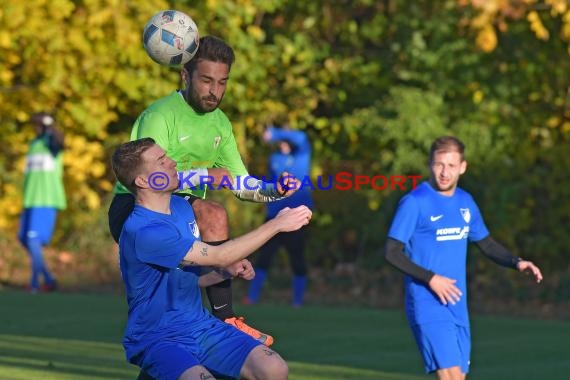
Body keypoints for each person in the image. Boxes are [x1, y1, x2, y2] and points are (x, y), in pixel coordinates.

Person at [108, 35, 298, 347]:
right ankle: (227, 318)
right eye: (207, 80)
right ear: (186, 76)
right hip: (135, 207)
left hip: (179, 211)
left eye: (223, 82)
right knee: (212, 212)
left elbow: (240, 183)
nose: (215, 91)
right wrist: (206, 175)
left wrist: (273, 191)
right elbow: (149, 180)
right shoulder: (161, 115)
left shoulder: (221, 124)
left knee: (173, 318)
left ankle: (203, 337)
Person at [111, 138, 311, 380]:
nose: (172, 163)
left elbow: (186, 279)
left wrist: (223, 273)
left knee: (273, 369)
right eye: (161, 161)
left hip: (200, 326)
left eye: (167, 157)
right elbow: (219, 255)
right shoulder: (144, 231)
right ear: (142, 181)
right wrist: (277, 225)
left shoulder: (181, 208)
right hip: (158, 337)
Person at [385, 136, 543, 380]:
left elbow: (486, 244)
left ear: (462, 167)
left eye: (450, 165)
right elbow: (392, 252)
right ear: (430, 164)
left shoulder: (465, 202)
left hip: (457, 305)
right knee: (452, 378)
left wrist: (517, 262)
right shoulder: (415, 202)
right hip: (428, 303)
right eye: (439, 164)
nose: (444, 172)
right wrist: (431, 279)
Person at [244, 126, 313, 307]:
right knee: (264, 258)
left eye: (286, 139)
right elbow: (270, 183)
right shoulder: (274, 158)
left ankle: (297, 301)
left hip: (296, 217)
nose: (283, 142)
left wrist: (275, 133)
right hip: (275, 216)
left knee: (297, 259)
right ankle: (252, 297)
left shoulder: (302, 155)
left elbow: (301, 136)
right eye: (280, 140)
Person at [18, 112, 66, 293]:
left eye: (39, 125)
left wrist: (49, 128)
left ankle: (35, 284)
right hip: (30, 199)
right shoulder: (33, 145)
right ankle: (48, 278)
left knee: (33, 240)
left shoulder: (51, 144)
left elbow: (57, 143)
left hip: (46, 199)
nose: (36, 128)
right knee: (23, 238)